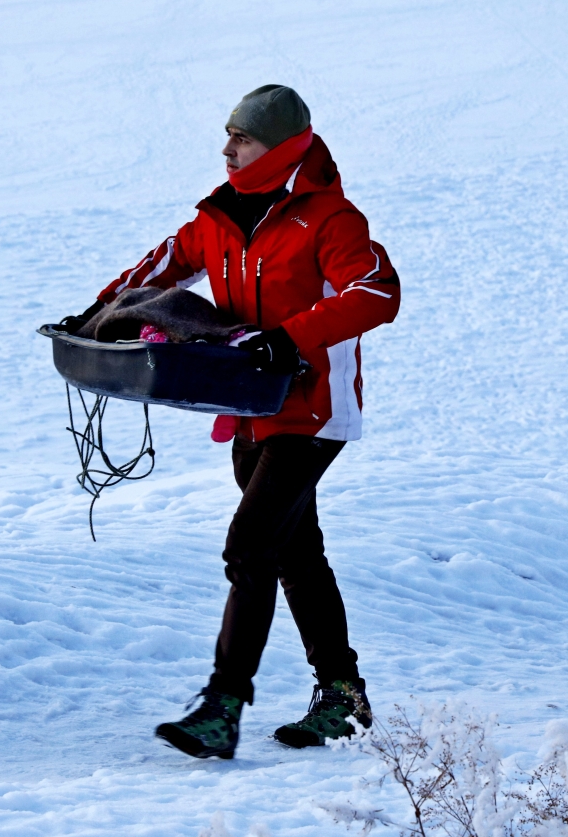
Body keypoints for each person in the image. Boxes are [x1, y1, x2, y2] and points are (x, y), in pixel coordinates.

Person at [66, 85, 401, 760]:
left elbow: (377, 292)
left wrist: (291, 337)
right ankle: (343, 695)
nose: (227, 149)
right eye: (227, 136)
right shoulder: (219, 217)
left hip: (312, 409)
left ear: (278, 147)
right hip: (248, 406)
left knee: (250, 545)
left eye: (241, 139)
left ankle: (224, 705)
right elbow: (161, 268)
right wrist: (96, 314)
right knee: (295, 553)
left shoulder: (331, 220)